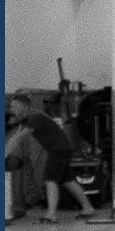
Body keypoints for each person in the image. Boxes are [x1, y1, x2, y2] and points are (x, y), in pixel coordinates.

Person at [6, 94, 97, 224]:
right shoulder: (26, 119)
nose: (12, 109)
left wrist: (5, 155)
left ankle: (51, 215)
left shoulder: (35, 117)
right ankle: (88, 208)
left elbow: (20, 138)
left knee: (50, 180)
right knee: (67, 180)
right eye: (11, 107)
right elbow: (15, 137)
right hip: (62, 149)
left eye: (15, 106)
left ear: (23, 106)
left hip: (58, 150)